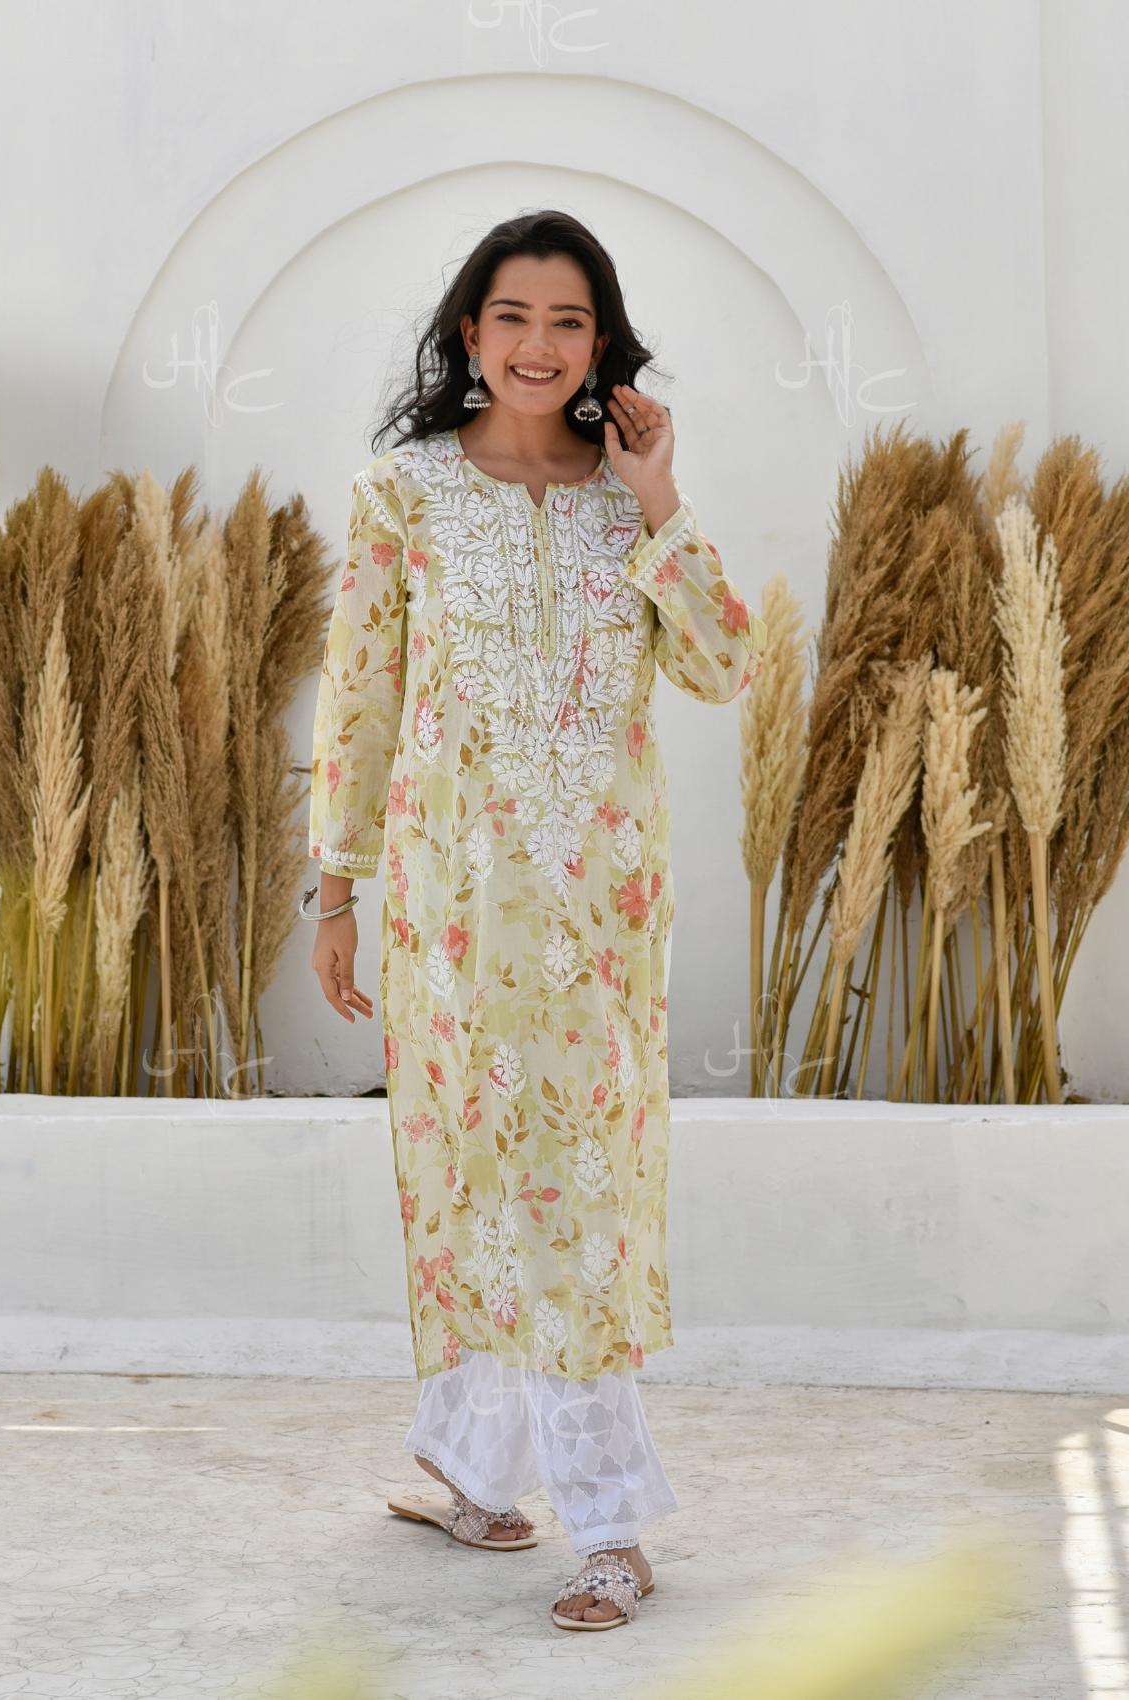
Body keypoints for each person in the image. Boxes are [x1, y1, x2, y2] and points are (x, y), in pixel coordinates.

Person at [307, 209, 767, 1629]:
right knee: (463, 1175)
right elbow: (361, 697)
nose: (537, 344)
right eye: (512, 316)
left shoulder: (627, 500)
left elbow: (725, 668)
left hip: (599, 917)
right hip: (449, 913)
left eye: (569, 321)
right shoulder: (404, 492)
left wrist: (658, 497)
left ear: (601, 343)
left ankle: (612, 1525)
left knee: (583, 1198)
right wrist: (338, 893)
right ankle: (476, 1471)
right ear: (469, 332)